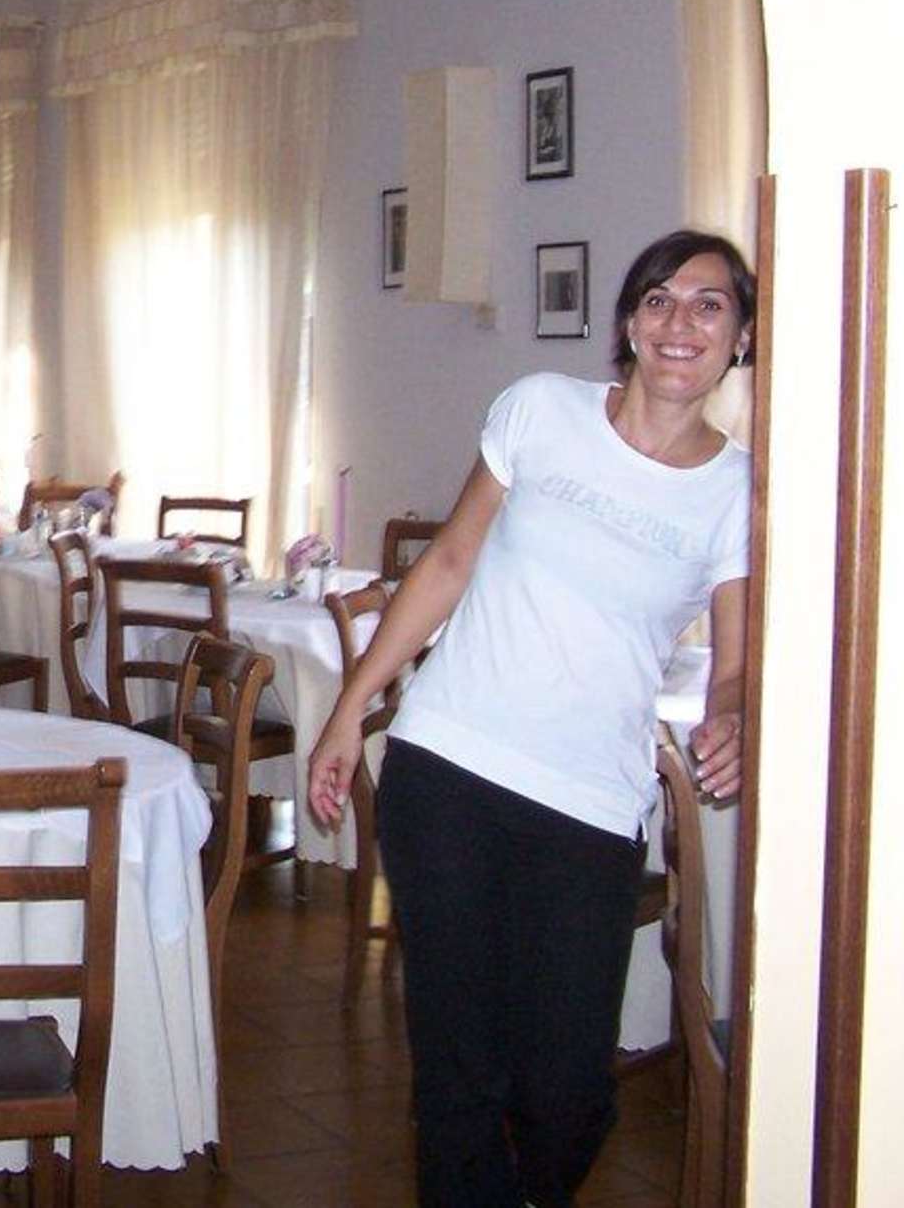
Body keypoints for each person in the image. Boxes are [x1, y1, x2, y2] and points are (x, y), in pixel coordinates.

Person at [304, 228, 754, 1208]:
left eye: (709, 304)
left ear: (740, 338)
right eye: (659, 300)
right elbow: (447, 564)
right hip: (448, 769)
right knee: (458, 1071)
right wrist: (350, 708)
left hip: (590, 804)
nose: (680, 322)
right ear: (629, 325)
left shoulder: (739, 492)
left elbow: (735, 663)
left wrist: (732, 718)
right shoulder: (540, 409)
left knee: (568, 1092)